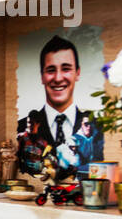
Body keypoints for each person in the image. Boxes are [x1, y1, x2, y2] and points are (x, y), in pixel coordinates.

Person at [16, 35, 105, 180]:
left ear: (77, 73)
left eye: (66, 69)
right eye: (51, 70)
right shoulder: (21, 126)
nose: (58, 78)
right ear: (42, 76)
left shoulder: (97, 130)